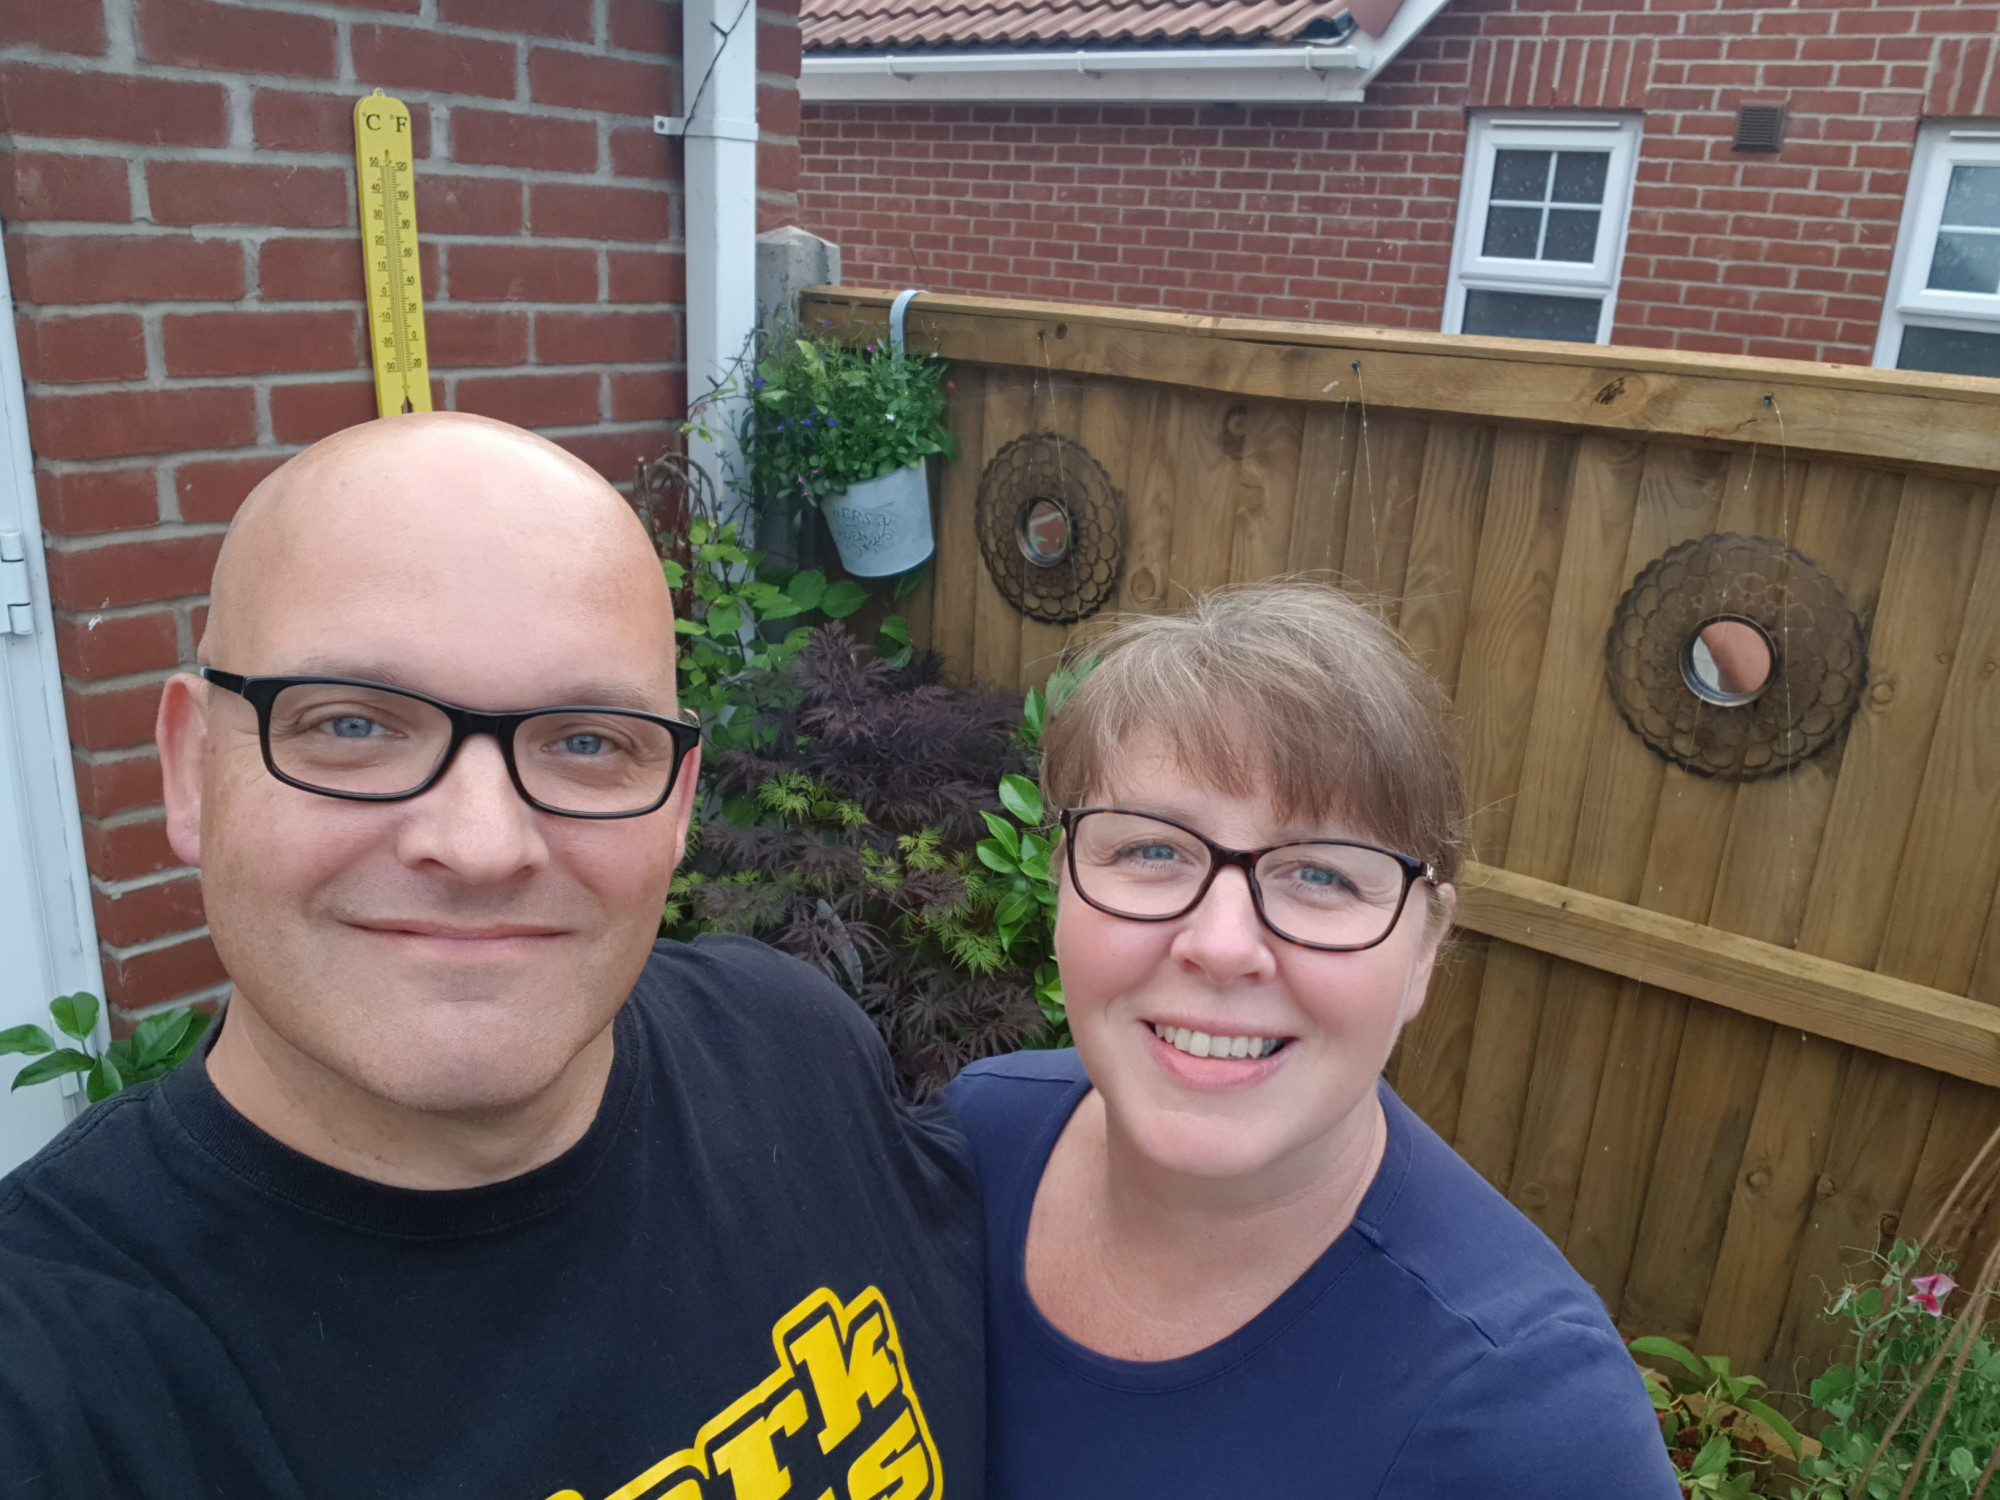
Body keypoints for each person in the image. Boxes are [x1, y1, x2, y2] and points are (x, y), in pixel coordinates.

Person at [0, 413, 981, 1500]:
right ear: (191, 771)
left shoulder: (792, 1050)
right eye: (353, 726)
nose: (477, 846)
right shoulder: (62, 1377)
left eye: (586, 742)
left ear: (678, 805)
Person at [949, 581, 1680, 1498]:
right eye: (1151, 850)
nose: (1220, 944)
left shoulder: (1531, 1424)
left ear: (1423, 950)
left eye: (1322, 875)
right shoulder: (975, 1142)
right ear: (1063, 886)